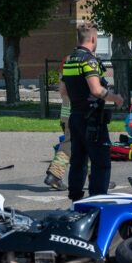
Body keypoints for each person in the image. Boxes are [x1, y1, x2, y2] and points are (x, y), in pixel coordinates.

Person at [62, 22, 123, 201]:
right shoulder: (89, 60)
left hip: (75, 116)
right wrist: (116, 98)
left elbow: (63, 91)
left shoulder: (69, 60)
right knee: (101, 162)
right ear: (94, 39)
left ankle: (76, 200)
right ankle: (97, 200)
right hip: (93, 119)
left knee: (78, 161)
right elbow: (97, 90)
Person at [44, 58, 72, 191]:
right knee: (69, 146)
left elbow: (62, 90)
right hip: (79, 113)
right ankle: (54, 174)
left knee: (86, 146)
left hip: (66, 113)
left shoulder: (68, 62)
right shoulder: (86, 62)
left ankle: (96, 177)